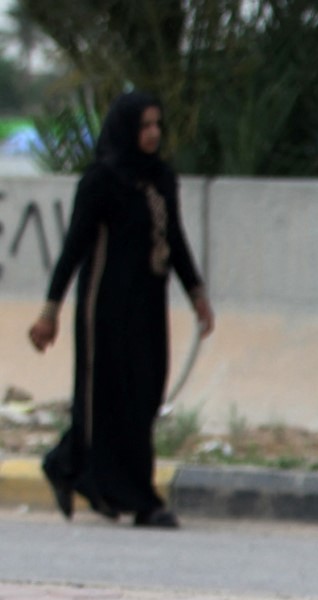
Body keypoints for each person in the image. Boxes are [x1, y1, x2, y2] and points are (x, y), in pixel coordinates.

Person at [28, 91, 214, 528]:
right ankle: (139, 499)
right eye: (144, 126)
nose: (152, 134)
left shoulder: (161, 177)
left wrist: (197, 294)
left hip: (148, 304)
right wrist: (50, 311)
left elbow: (176, 240)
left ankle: (65, 464)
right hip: (105, 309)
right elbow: (74, 247)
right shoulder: (102, 179)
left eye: (157, 125)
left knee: (144, 395)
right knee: (107, 400)